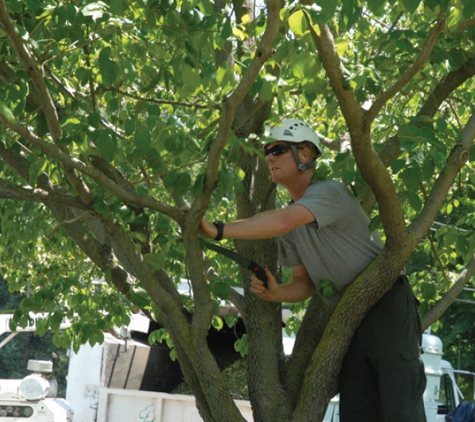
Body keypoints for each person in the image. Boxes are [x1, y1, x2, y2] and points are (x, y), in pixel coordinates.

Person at [199, 118, 427, 421]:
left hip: (387, 305)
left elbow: (281, 221)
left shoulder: (329, 192)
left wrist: (218, 230)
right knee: (358, 413)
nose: (269, 157)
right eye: (267, 151)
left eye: (278, 149)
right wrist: (277, 292)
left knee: (401, 409)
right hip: (350, 317)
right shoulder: (293, 224)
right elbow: (303, 282)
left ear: (304, 155)